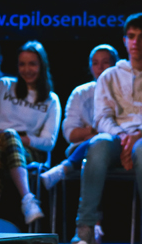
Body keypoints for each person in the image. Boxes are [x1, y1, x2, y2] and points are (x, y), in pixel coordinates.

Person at [70, 14, 142, 244]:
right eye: (131, 36)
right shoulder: (109, 76)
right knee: (98, 143)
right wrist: (123, 138)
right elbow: (102, 117)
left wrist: (138, 135)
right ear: (124, 40)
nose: (135, 42)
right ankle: (85, 227)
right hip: (116, 140)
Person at [0, 41, 60, 224]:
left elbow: (48, 142)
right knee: (5, 139)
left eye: (32, 64)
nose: (27, 69)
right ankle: (27, 198)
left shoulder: (51, 100)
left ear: (42, 66)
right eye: (22, 64)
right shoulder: (3, 85)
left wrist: (20, 139)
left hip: (25, 151)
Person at [40, 44, 119, 189]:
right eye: (95, 63)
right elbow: (70, 133)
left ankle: (65, 167)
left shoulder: (124, 92)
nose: (100, 67)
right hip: (81, 150)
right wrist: (94, 132)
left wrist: (93, 134)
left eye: (105, 62)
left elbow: (124, 128)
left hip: (115, 149)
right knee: (96, 145)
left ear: (115, 65)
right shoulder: (80, 93)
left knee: (101, 143)